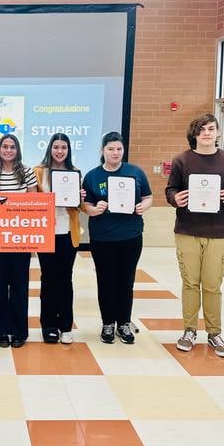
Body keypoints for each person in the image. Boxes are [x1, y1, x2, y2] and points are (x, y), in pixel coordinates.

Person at [165, 113, 224, 358]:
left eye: (211, 129)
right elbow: (170, 190)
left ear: (218, 133)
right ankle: (189, 330)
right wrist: (174, 198)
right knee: (190, 283)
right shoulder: (181, 160)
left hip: (218, 232)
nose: (207, 133)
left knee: (212, 285)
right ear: (194, 134)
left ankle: (214, 332)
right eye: (202, 130)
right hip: (187, 230)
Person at [83, 131, 152, 345]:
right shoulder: (93, 176)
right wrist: (96, 209)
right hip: (102, 237)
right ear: (102, 151)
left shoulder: (135, 172)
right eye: (110, 149)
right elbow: (86, 206)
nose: (115, 153)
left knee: (126, 280)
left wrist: (143, 207)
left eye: (119, 149)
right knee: (105, 281)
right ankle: (107, 323)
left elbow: (148, 197)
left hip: (130, 236)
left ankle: (123, 323)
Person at [0, 134, 38, 348]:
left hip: (21, 239)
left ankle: (19, 331)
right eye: (4, 147)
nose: (8, 150)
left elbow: (34, 204)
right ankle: (0, 330)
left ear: (18, 150)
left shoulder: (28, 173)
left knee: (19, 285)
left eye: (12, 147)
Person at [34, 133, 86, 344]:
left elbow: (80, 207)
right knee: (48, 279)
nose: (59, 151)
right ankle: (48, 325)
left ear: (68, 150)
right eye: (56, 147)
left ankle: (65, 326)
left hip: (67, 233)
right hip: (45, 233)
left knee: (65, 279)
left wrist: (80, 199)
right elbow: (31, 200)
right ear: (50, 148)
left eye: (64, 147)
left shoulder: (74, 172)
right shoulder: (38, 172)